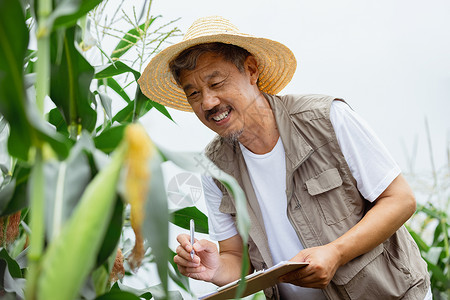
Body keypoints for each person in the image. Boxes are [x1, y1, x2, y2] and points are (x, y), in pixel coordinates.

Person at [138, 16, 431, 300]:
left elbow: (400, 200)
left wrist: (336, 252)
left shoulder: (327, 119)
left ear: (251, 70)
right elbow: (237, 258)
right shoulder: (214, 168)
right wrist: (215, 267)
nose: (207, 103)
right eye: (194, 93)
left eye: (216, 84)